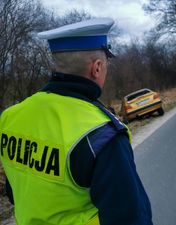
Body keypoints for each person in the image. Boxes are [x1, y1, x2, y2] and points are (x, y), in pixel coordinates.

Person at [0, 18, 153, 225]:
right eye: (106, 64)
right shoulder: (101, 134)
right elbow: (131, 217)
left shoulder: (10, 116)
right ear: (97, 68)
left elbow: (14, 189)